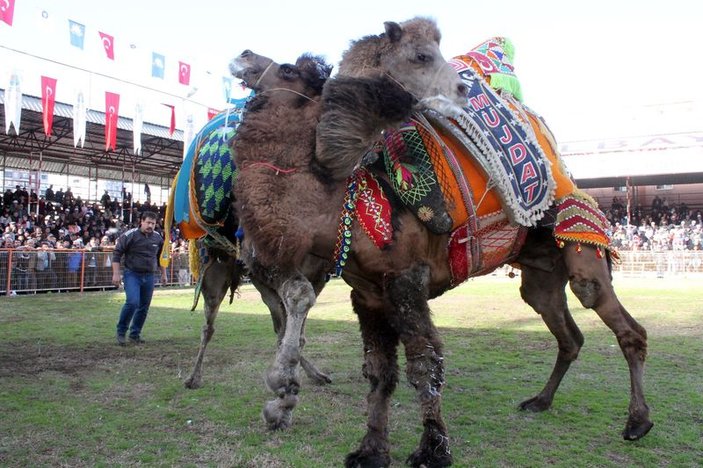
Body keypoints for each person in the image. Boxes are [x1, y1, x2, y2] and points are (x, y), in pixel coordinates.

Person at [112, 211, 167, 346]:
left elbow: (161, 258)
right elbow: (117, 253)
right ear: (141, 221)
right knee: (132, 302)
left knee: (144, 306)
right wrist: (116, 273)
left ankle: (135, 334)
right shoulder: (130, 235)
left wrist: (164, 274)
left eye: (153, 223)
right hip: (132, 274)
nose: (150, 225)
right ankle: (121, 332)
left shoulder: (158, 238)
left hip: (149, 276)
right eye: (148, 222)